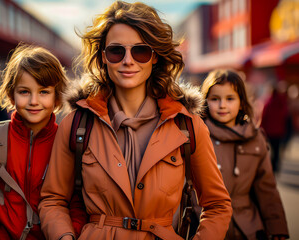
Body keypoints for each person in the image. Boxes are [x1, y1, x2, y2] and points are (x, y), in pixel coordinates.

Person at [38, 1, 232, 240]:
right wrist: (64, 237)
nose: (128, 61)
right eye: (116, 51)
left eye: (140, 51)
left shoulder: (188, 125)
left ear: (154, 57)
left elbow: (217, 205)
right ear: (103, 58)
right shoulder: (77, 125)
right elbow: (53, 200)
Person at [0, 44, 87, 240]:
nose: (34, 101)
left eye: (44, 92)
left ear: (57, 97)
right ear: (11, 95)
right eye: (24, 92)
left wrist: (70, 234)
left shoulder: (69, 144)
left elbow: (78, 202)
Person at [200, 69, 289, 240]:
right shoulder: (196, 137)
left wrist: (277, 227)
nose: (222, 105)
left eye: (230, 98)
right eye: (215, 99)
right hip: (204, 227)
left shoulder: (255, 139)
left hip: (248, 228)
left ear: (241, 101)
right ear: (205, 101)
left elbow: (267, 188)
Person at [261, 85, 290, 173]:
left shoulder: (268, 103)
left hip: (269, 131)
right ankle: (275, 166)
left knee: (269, 150)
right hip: (279, 131)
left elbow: (264, 117)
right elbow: (285, 116)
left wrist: (262, 129)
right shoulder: (281, 103)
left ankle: (270, 165)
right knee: (277, 150)